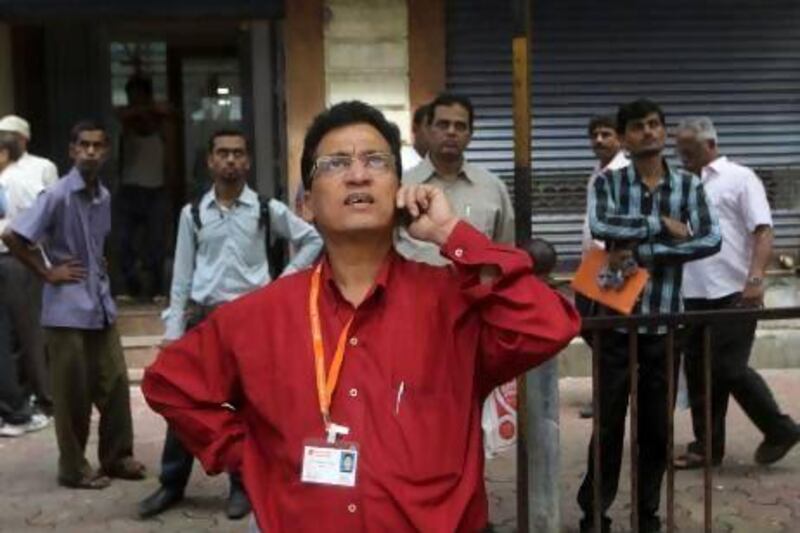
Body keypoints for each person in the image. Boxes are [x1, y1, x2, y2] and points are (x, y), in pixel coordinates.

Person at [142, 100, 580, 532]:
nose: (358, 173)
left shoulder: (452, 301)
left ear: (401, 190)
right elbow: (169, 383)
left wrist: (450, 234)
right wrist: (248, 455)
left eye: (376, 161)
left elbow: (549, 325)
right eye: (335, 164)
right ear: (307, 204)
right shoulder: (260, 315)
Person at [138, 129, 323, 520]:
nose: (231, 160)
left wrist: (282, 282)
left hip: (250, 319)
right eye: (223, 153)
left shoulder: (264, 209)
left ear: (248, 161)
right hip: (204, 319)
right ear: (210, 161)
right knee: (187, 402)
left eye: (238, 153)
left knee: (247, 405)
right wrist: (173, 332)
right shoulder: (192, 213)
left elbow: (311, 239)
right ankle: (171, 483)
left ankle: (242, 485)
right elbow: (182, 276)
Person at [577, 99, 721, 533]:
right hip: (615, 320)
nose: (648, 132)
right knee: (607, 425)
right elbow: (603, 226)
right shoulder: (609, 183)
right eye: (638, 127)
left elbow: (711, 238)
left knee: (656, 429)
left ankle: (648, 516)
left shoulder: (690, 187)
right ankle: (594, 515)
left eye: (655, 125)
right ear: (624, 137)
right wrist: (663, 226)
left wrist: (642, 251)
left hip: (663, 322)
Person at [2, 120, 146, 489]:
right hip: (66, 310)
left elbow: (99, 244)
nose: (91, 152)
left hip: (99, 306)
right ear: (72, 150)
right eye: (84, 145)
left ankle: (117, 457)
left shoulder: (104, 197)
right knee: (72, 395)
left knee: (114, 384)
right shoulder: (58, 194)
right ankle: (73, 468)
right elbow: (13, 235)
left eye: (98, 145)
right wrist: (47, 272)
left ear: (107, 151)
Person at [674, 116, 799, 469]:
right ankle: (706, 446)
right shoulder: (686, 184)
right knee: (698, 371)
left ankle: (780, 428)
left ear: (710, 144)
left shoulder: (740, 178)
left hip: (734, 290)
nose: (682, 156)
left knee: (728, 368)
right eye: (679, 150)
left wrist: (755, 279)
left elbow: (762, 229)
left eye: (688, 150)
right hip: (693, 291)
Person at [396, 93, 515, 266]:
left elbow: (505, 252)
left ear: (470, 134)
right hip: (416, 291)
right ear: (428, 130)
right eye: (443, 124)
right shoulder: (402, 187)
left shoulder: (493, 188)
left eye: (460, 126)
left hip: (474, 291)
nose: (451, 132)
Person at [576, 115, 631, 420]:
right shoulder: (598, 172)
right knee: (588, 326)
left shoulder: (624, 173)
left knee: (608, 337)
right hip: (593, 263)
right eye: (594, 134)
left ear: (620, 139)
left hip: (615, 264)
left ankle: (608, 401)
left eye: (606, 134)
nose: (599, 140)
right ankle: (614, 390)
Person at [0, 119, 54, 420]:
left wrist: (44, 261)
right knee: (11, 339)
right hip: (11, 260)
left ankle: (44, 399)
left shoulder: (23, 179)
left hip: (20, 260)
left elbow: (43, 215)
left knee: (30, 335)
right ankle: (18, 405)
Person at [116, 75, 175, 299]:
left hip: (156, 190)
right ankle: (132, 284)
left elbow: (170, 111)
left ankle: (156, 289)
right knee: (123, 243)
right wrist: (141, 110)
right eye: (133, 97)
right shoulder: (126, 119)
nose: (136, 101)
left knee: (157, 244)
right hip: (128, 190)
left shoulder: (161, 122)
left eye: (140, 97)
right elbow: (121, 114)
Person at [0, 114, 59, 189]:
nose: (3, 141)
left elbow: (54, 198)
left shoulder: (44, 167)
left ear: (23, 139)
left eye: (8, 137)